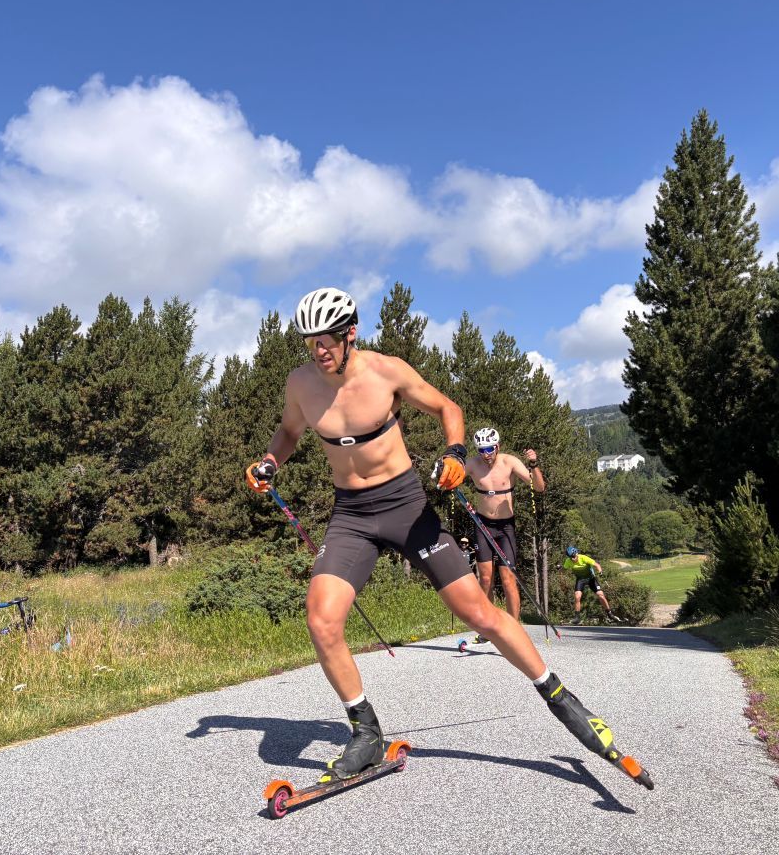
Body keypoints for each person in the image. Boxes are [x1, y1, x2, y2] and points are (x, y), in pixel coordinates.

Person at [245, 287, 648, 786]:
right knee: (321, 619)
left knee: (478, 611)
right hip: (350, 514)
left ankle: (564, 701)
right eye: (310, 341)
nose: (319, 349)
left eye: (327, 338)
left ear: (351, 333)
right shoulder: (301, 382)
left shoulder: (386, 371)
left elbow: (447, 408)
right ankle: (365, 733)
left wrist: (456, 454)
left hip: (406, 507)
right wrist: (268, 461)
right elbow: (288, 432)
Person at [463, 427, 546, 641]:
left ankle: (513, 626)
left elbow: (539, 487)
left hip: (505, 526)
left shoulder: (509, 462)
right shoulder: (473, 464)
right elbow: (449, 479)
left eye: (489, 449)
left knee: (508, 578)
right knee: (485, 579)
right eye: (481, 450)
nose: (486, 454)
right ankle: (488, 628)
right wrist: (444, 471)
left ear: (497, 446)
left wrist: (534, 464)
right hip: (482, 524)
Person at [563, 545, 621, 624]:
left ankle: (609, 614)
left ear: (576, 553)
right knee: (577, 596)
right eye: (571, 557)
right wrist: (560, 567)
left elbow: (597, 565)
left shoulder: (583, 558)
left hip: (591, 579)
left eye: (573, 557)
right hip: (580, 579)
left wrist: (600, 572)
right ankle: (577, 618)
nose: (572, 559)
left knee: (601, 595)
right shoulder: (568, 561)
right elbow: (564, 568)